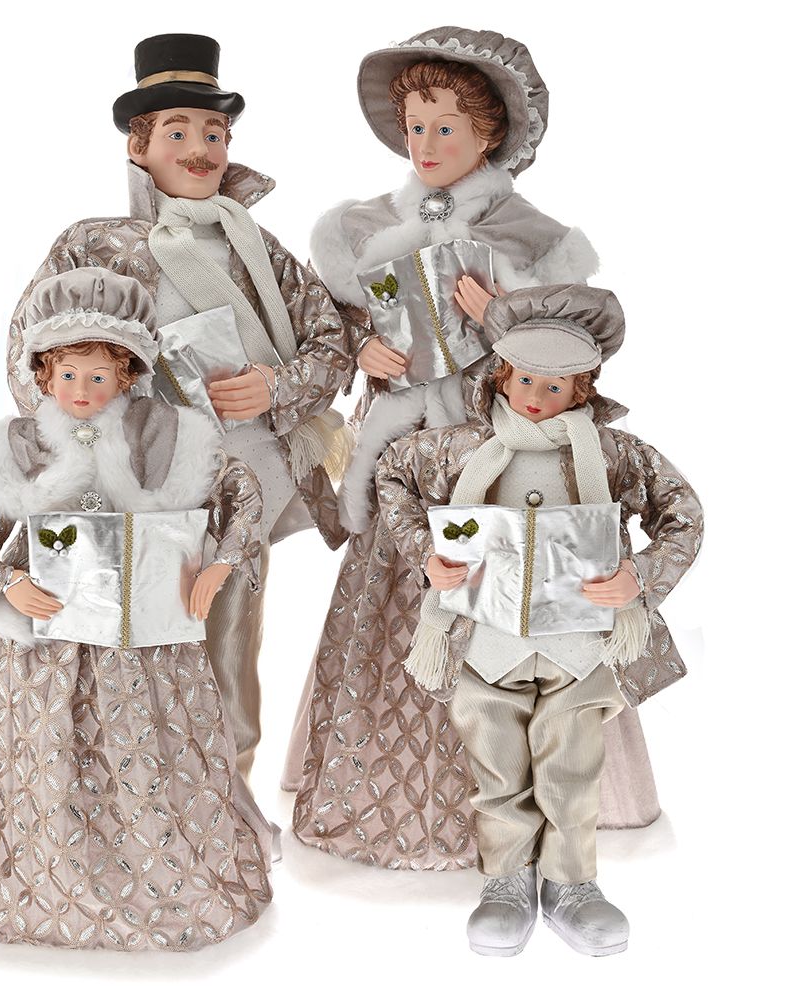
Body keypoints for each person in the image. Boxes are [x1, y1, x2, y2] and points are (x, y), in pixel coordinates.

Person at [286, 25, 660, 866]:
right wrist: (363, 352)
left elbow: (568, 359)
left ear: (489, 135)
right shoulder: (364, 226)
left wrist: (501, 316)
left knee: (507, 596)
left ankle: (537, 794)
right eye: (414, 126)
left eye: (445, 127)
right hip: (402, 452)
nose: (424, 144)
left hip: (494, 458)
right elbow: (333, 329)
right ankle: (374, 781)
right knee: (400, 588)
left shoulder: (532, 237)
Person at [6, 33, 354, 778]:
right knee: (120, 641)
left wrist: (277, 386)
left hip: (242, 475)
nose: (201, 150)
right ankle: (124, 801)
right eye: (178, 132)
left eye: (215, 133)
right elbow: (27, 353)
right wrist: (96, 423)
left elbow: (332, 343)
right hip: (129, 483)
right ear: (139, 147)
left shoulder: (258, 247)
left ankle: (230, 800)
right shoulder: (93, 245)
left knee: (229, 638)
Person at [0, 269, 273, 951]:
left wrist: (220, 562)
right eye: (69, 375)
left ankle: (156, 874)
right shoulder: (16, 446)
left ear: (127, 374)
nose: (82, 391)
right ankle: (47, 875)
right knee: (47, 755)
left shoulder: (170, 436)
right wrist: (1, 583)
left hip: (148, 643)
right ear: (44, 375)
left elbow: (241, 495)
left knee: (153, 756)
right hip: (51, 643)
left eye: (100, 377)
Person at [375, 284, 702, 955]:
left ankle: (571, 883)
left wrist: (640, 577)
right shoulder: (458, 449)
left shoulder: (613, 454)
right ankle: (506, 881)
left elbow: (683, 513)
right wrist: (426, 554)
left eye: (556, 386)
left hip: (578, 646)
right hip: (484, 640)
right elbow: (392, 476)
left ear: (583, 388)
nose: (536, 396)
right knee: (496, 767)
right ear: (502, 373)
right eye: (525, 378)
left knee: (571, 768)